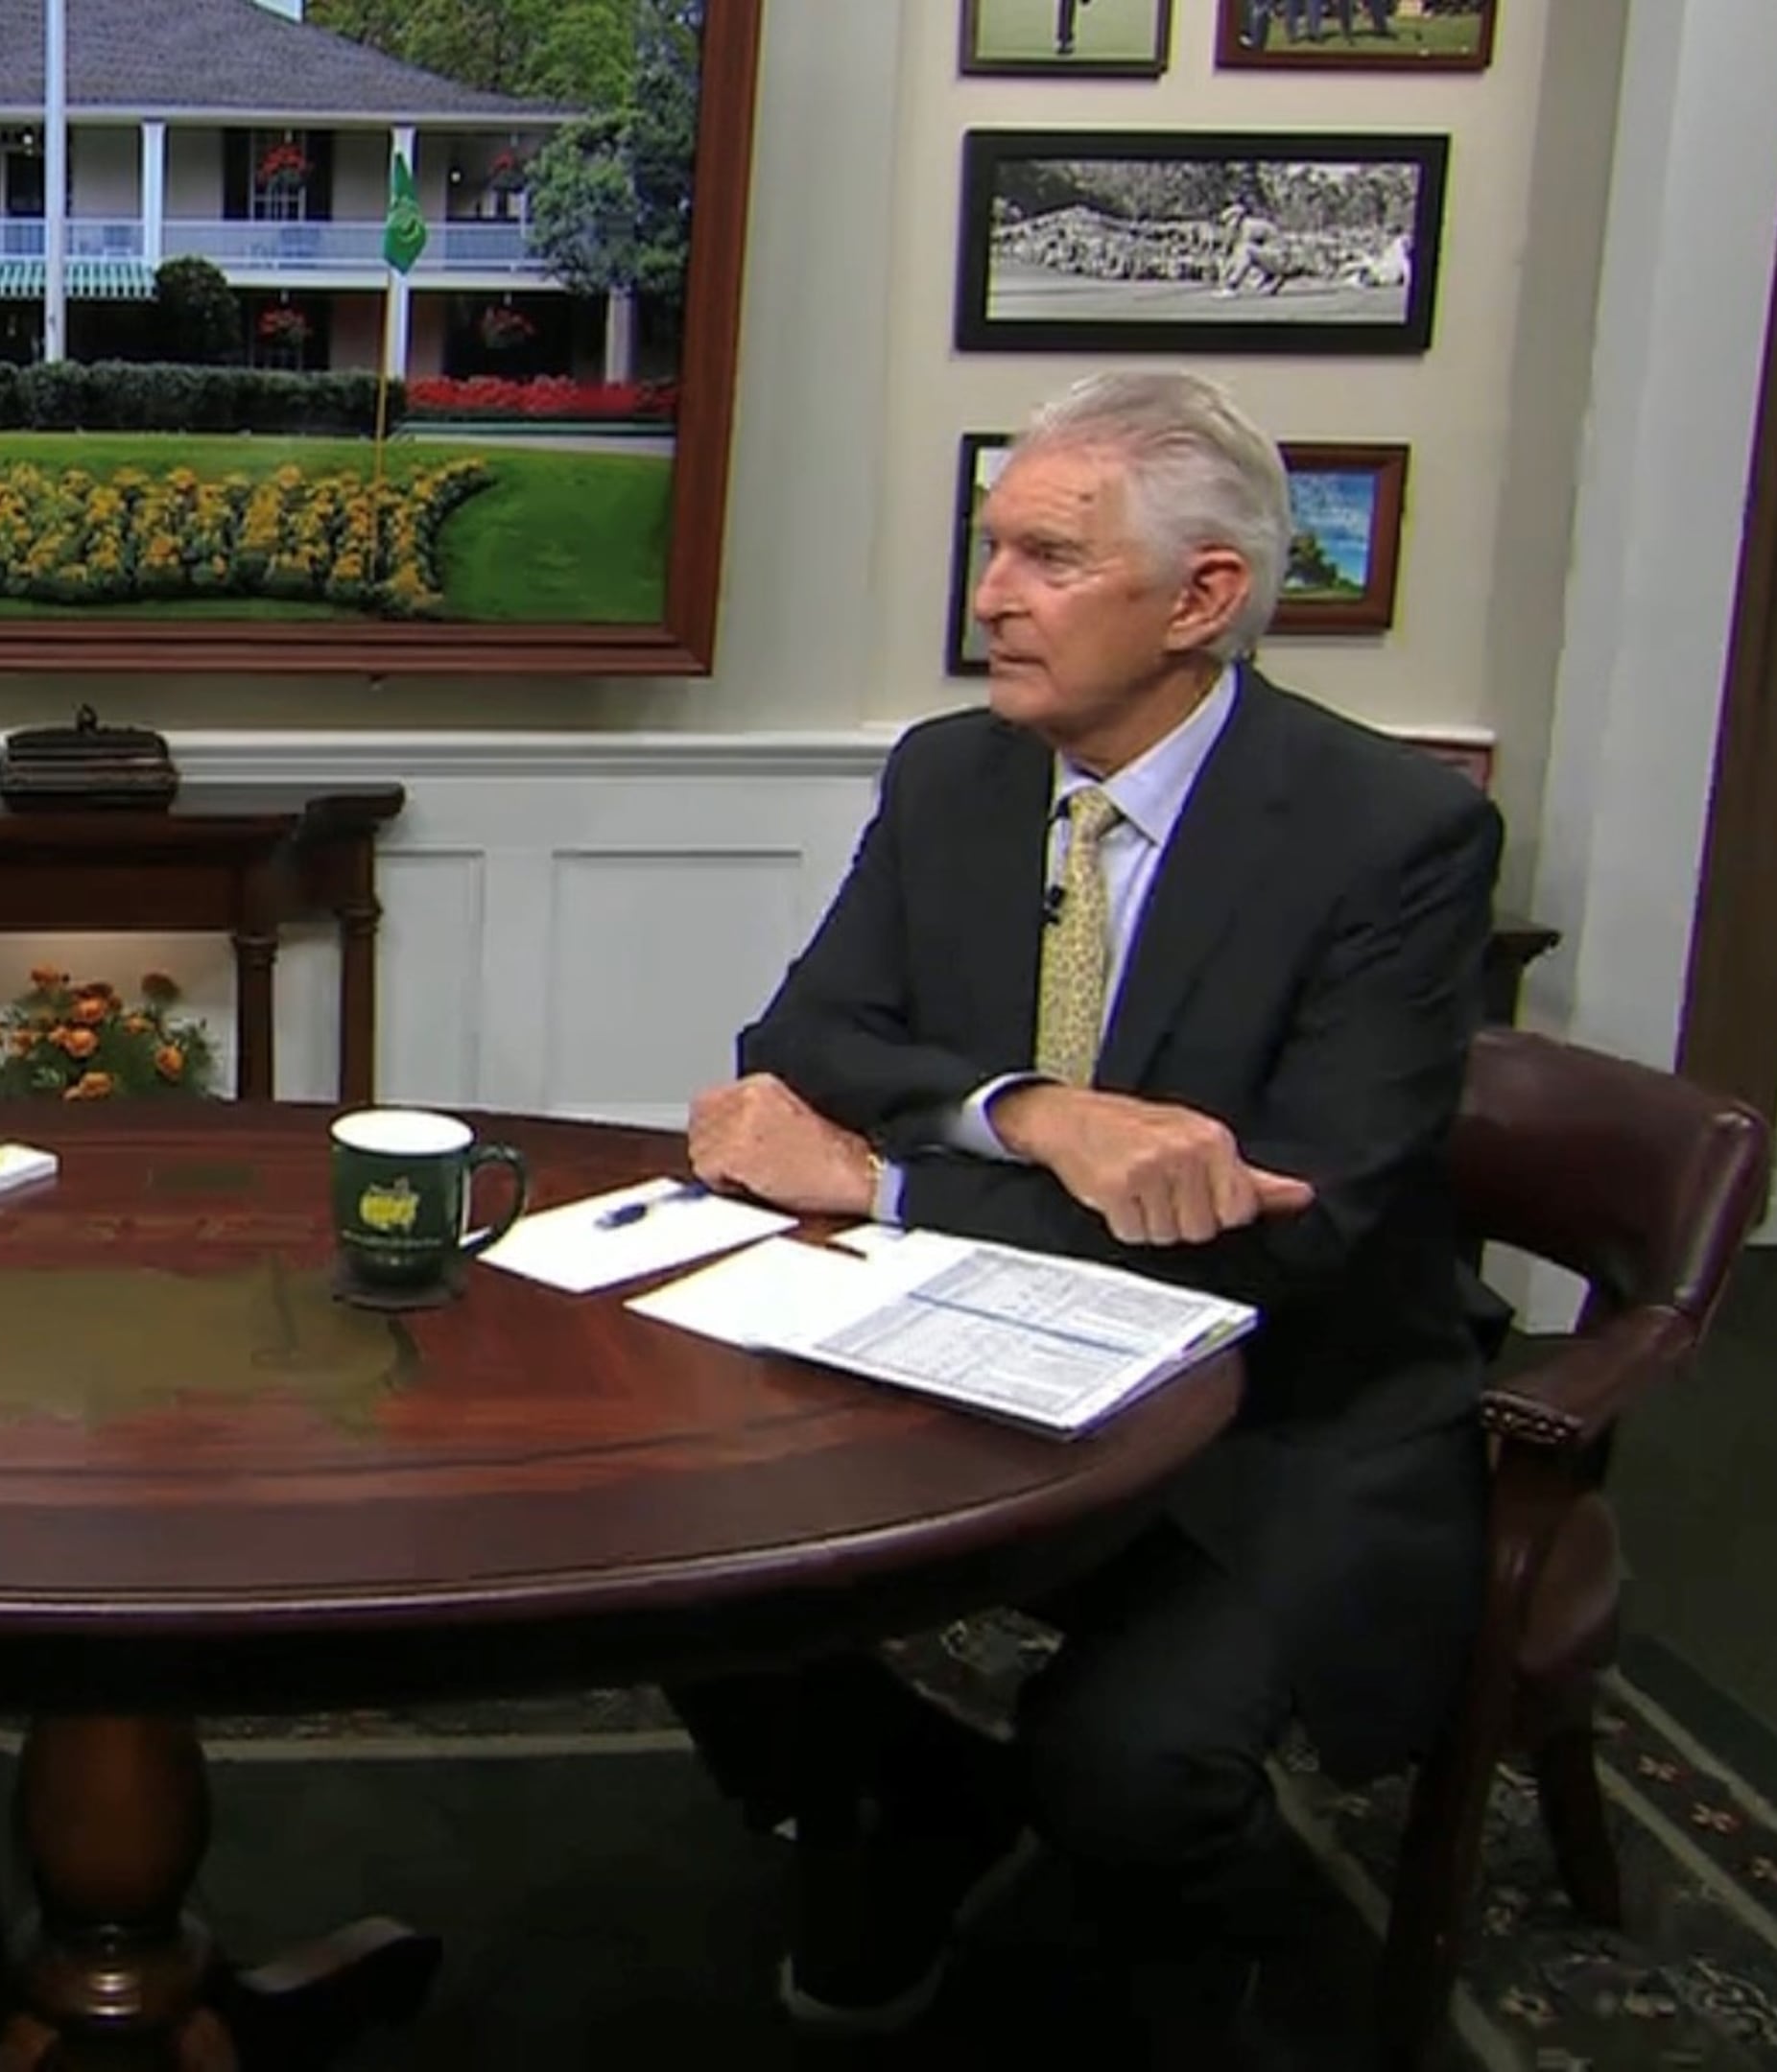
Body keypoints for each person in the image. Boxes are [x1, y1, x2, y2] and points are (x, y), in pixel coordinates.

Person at [669, 369, 1498, 2061]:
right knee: (683, 1576)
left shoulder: (1396, 835)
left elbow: (1302, 1241)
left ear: (1204, 598)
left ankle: (1249, 1968)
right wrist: (1036, 1114)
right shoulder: (953, 777)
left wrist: (891, 1175)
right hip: (973, 1344)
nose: (988, 597)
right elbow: (809, 1040)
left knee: (1129, 1771)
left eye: (1047, 556)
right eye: (992, 549)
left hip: (1279, 1405)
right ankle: (917, 1814)